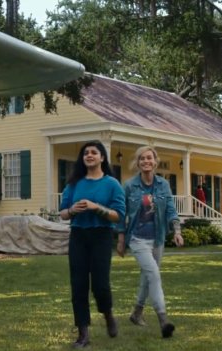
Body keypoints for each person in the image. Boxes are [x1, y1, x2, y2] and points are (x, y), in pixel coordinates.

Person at [59, 141, 126, 348]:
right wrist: (73, 211)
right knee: (78, 285)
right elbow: (62, 213)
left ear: (102, 158)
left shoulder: (112, 184)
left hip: (101, 236)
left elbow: (118, 215)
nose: (89, 155)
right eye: (86, 153)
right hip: (78, 236)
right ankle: (83, 334)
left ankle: (107, 314)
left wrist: (96, 207)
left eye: (94, 153)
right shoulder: (73, 184)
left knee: (100, 284)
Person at [116, 145, 184, 338]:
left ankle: (136, 313)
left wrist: (177, 231)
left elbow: (170, 209)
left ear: (155, 162)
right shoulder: (129, 186)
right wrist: (121, 239)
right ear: (138, 163)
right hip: (137, 239)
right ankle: (163, 320)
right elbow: (121, 214)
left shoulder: (163, 185)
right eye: (142, 159)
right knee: (153, 274)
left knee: (147, 277)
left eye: (149, 158)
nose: (146, 161)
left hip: (158, 239)